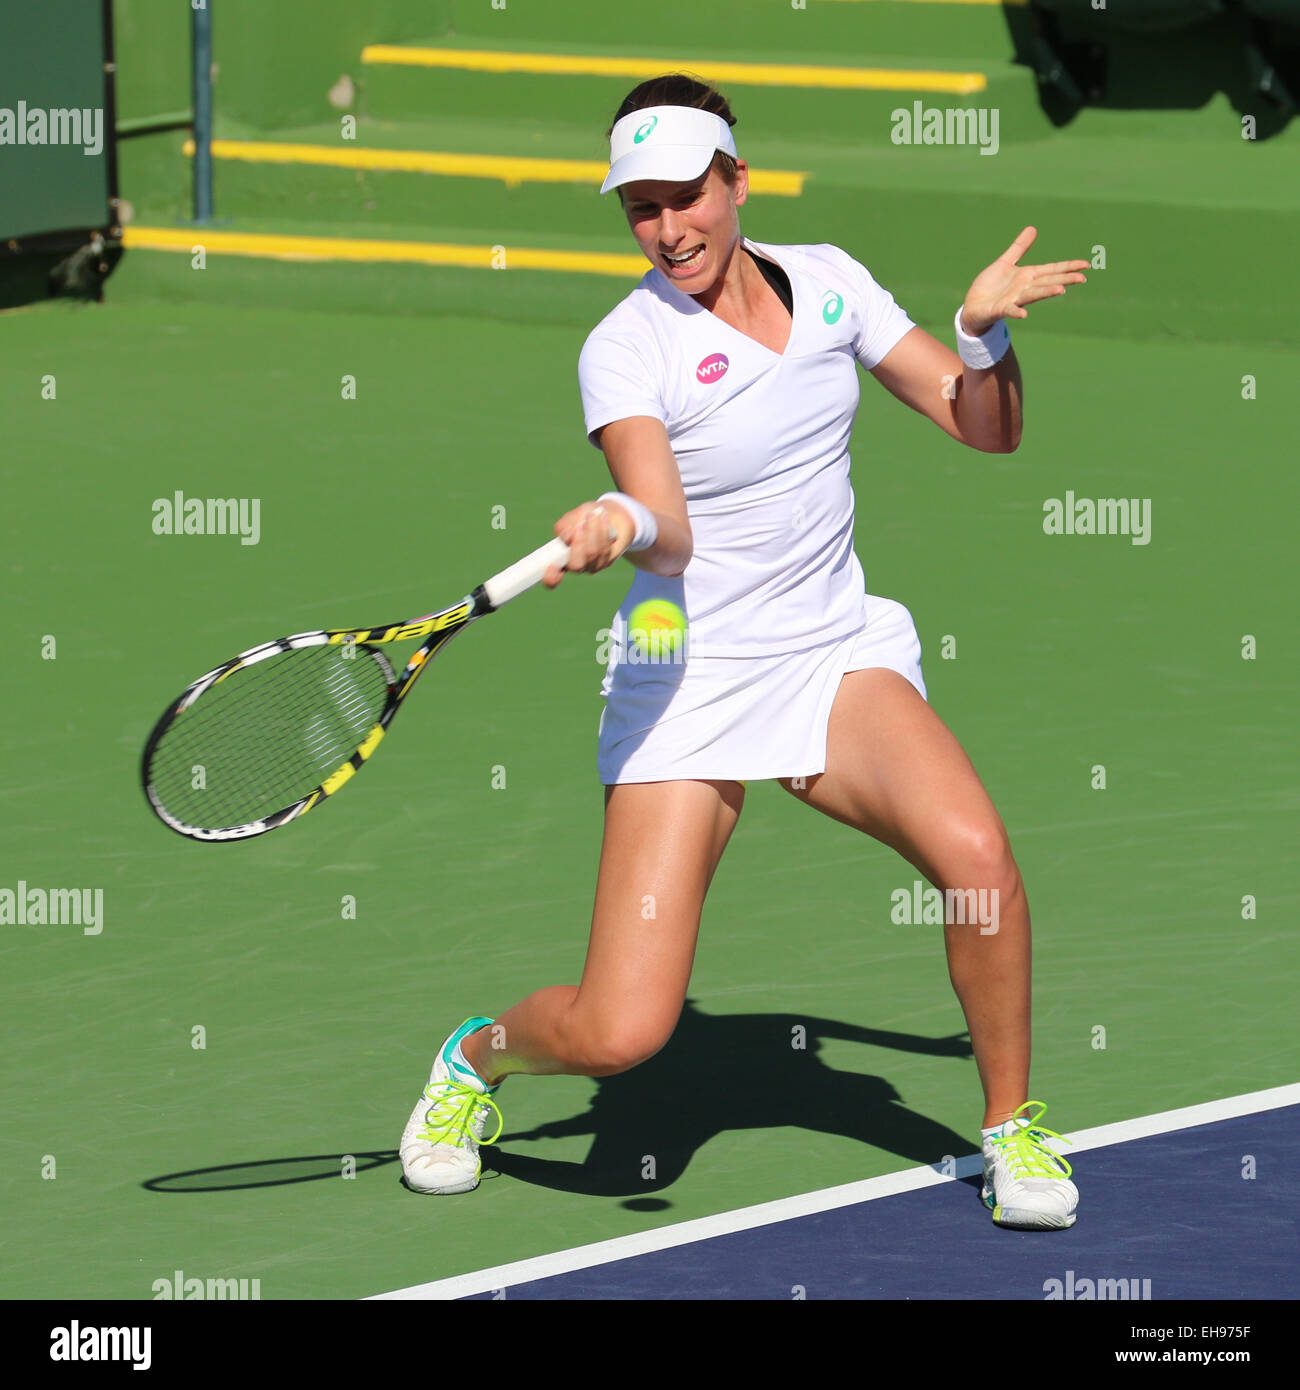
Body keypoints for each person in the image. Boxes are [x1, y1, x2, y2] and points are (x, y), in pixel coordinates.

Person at [399, 73, 1088, 1229]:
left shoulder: (828, 281)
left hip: (829, 652)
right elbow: (662, 516)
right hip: (689, 680)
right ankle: (475, 1058)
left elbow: (987, 427)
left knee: (976, 856)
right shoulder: (625, 347)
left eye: (687, 198)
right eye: (640, 207)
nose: (668, 228)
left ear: (737, 182)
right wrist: (621, 521)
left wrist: (984, 334)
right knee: (622, 1033)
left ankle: (1010, 1128)